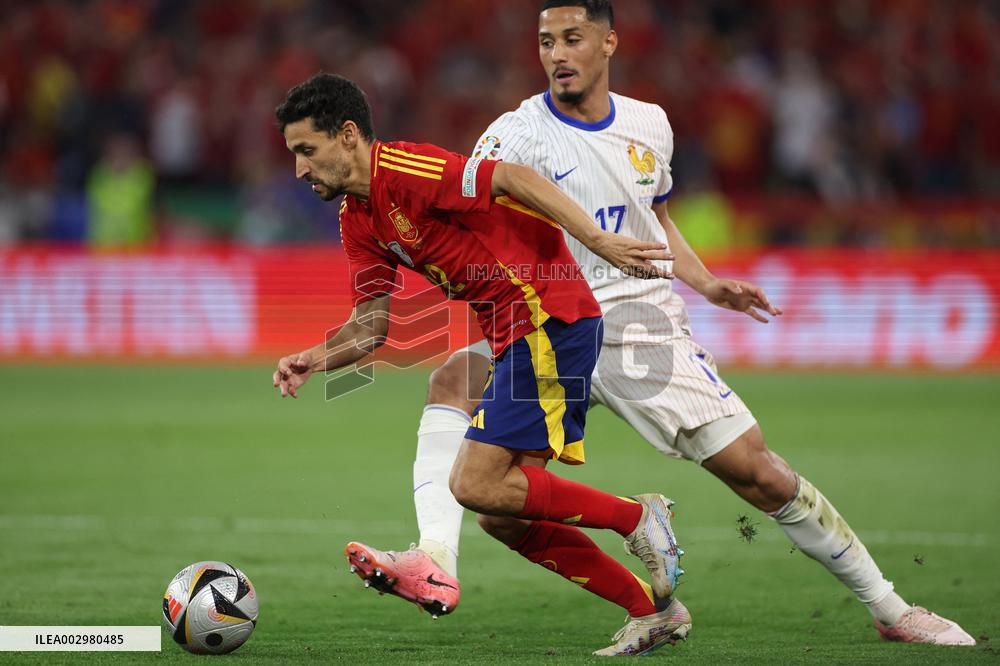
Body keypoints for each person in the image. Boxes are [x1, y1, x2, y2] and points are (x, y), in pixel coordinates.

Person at [345, 0, 976, 650]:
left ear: (609, 42)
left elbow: (657, 217)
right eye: (545, 42)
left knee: (757, 473)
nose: (557, 54)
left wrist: (706, 282)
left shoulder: (650, 123)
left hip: (639, 325)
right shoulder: (513, 134)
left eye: (572, 38)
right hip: (549, 319)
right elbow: (469, 215)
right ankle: (451, 562)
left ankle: (891, 608)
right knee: (487, 471)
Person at [272, 72, 691, 657]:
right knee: (503, 513)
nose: (299, 169)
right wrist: (313, 360)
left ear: (347, 135)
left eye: (306, 150)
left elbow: (511, 177)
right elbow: (371, 326)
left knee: (475, 483)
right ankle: (653, 612)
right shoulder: (356, 219)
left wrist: (598, 241)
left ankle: (637, 516)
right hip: (513, 335)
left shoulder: (406, 169)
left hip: (548, 316)